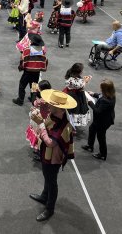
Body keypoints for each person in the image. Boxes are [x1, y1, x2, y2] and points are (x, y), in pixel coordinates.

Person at [29, 89, 76, 221]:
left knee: (51, 181)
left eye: (51, 104)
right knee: (47, 177)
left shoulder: (62, 126)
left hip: (53, 157)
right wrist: (39, 105)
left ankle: (50, 209)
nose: (49, 105)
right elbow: (45, 116)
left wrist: (41, 125)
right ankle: (44, 196)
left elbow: (50, 143)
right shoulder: (56, 115)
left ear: (59, 108)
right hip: (47, 154)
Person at [82, 79, 116, 161]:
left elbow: (97, 111)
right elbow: (100, 95)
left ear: (105, 90)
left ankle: (103, 154)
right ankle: (90, 146)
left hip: (103, 122)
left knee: (101, 137)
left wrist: (90, 103)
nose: (100, 88)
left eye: (101, 88)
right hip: (102, 119)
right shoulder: (111, 94)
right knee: (92, 129)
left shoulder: (106, 101)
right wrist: (94, 94)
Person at [13, 34, 48, 106]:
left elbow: (23, 59)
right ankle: (33, 98)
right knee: (34, 86)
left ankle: (20, 100)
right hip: (37, 72)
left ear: (31, 41)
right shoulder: (42, 50)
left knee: (22, 85)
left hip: (28, 72)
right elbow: (44, 59)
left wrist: (21, 66)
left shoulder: (27, 49)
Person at [26, 80, 52, 161]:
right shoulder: (51, 94)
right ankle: (39, 150)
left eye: (39, 88)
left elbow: (34, 103)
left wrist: (34, 91)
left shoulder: (42, 100)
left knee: (39, 135)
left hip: (41, 120)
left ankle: (39, 152)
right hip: (48, 118)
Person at [63, 63, 91, 127]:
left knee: (69, 110)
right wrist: (85, 81)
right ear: (79, 72)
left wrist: (83, 80)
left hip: (69, 93)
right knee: (75, 110)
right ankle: (72, 125)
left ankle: (69, 122)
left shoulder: (71, 75)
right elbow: (81, 86)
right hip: (76, 96)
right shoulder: (77, 81)